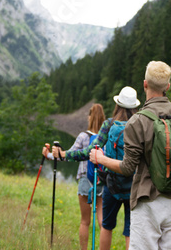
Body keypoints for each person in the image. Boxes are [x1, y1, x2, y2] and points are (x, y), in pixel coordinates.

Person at [90, 61, 171, 250]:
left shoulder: (137, 121)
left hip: (148, 199)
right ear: (168, 87)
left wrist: (101, 159)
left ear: (145, 84)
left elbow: (127, 168)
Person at [52, 86, 140, 250]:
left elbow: (88, 151)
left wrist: (64, 154)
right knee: (130, 231)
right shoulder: (140, 125)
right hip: (133, 187)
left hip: (111, 185)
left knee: (106, 226)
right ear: (135, 106)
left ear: (118, 104)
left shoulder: (109, 124)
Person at [67, 103, 105, 250]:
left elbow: (70, 155)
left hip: (85, 179)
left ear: (90, 117)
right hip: (101, 180)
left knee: (85, 221)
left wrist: (52, 155)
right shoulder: (105, 137)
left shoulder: (83, 136)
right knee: (102, 221)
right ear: (103, 118)